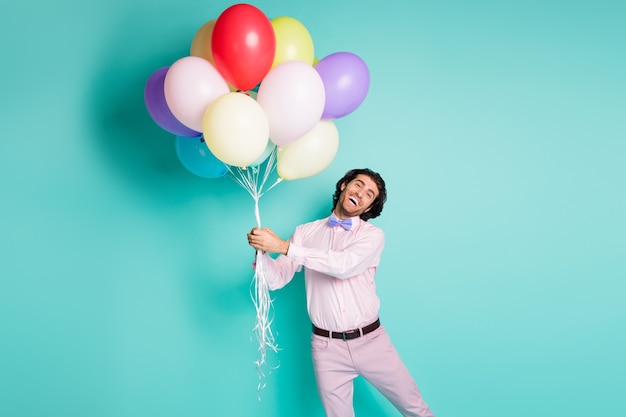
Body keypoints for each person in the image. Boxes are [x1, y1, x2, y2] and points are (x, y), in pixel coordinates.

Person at [247, 168, 435, 417]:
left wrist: (283, 246)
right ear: (345, 185)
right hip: (326, 347)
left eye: (370, 194)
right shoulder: (305, 232)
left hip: (371, 341)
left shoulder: (372, 236)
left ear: (369, 208)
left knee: (415, 408)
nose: (361, 193)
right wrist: (262, 250)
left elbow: (343, 266)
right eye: (358, 184)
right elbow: (276, 279)